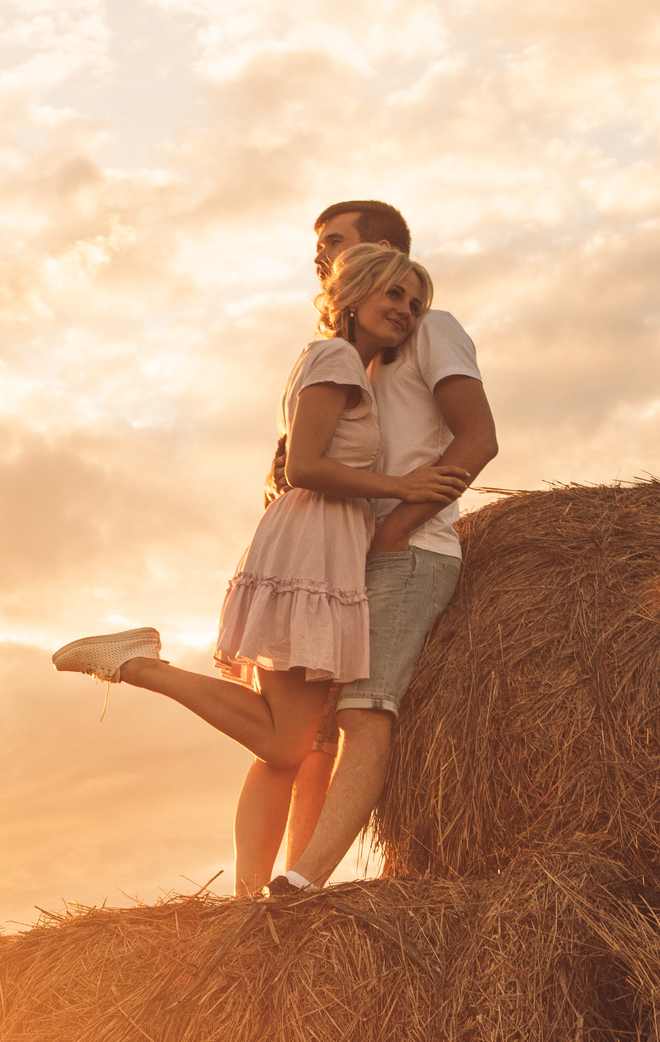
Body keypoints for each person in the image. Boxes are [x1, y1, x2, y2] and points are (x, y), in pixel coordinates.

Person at [49, 241, 472, 897]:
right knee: (285, 743)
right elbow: (303, 466)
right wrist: (405, 485)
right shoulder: (334, 356)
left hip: (320, 537)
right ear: (354, 293)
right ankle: (137, 663)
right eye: (393, 294)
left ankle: (255, 892)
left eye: (416, 304)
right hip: (316, 540)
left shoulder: (345, 363)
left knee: (289, 741)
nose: (407, 310)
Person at [270, 199, 499, 893]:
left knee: (366, 709)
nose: (319, 255)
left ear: (377, 251)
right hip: (356, 556)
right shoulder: (357, 356)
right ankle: (278, 878)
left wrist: (400, 523)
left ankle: (305, 880)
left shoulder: (434, 330)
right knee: (309, 732)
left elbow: (478, 439)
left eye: (333, 242)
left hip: (410, 547)